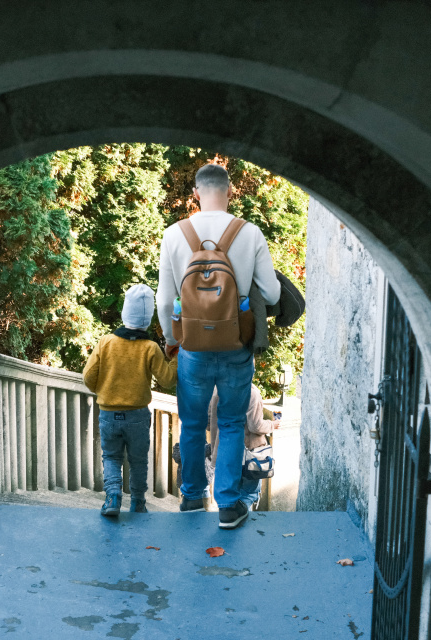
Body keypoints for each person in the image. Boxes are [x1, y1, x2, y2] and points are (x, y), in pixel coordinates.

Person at [156, 163, 281, 529]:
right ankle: (228, 505)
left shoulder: (174, 234)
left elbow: (165, 301)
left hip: (192, 347)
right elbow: (272, 293)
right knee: (229, 423)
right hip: (235, 346)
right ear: (230, 191)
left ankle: (193, 497)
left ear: (196, 193)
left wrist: (170, 340)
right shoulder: (250, 232)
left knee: (192, 424)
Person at [83, 284, 178, 517]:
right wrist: (176, 357)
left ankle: (113, 497)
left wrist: (105, 391)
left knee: (112, 457)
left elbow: (88, 377)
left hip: (108, 414)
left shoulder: (106, 342)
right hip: (137, 415)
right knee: (138, 461)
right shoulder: (150, 347)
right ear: (147, 318)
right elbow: (167, 380)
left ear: (125, 313)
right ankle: (138, 503)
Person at [206, 384, 280, 510]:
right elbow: (255, 426)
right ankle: (237, 521)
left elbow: (208, 423)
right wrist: (272, 424)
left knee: (230, 493)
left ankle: (227, 519)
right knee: (249, 494)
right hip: (249, 454)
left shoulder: (217, 389)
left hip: (226, 451)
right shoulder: (251, 393)